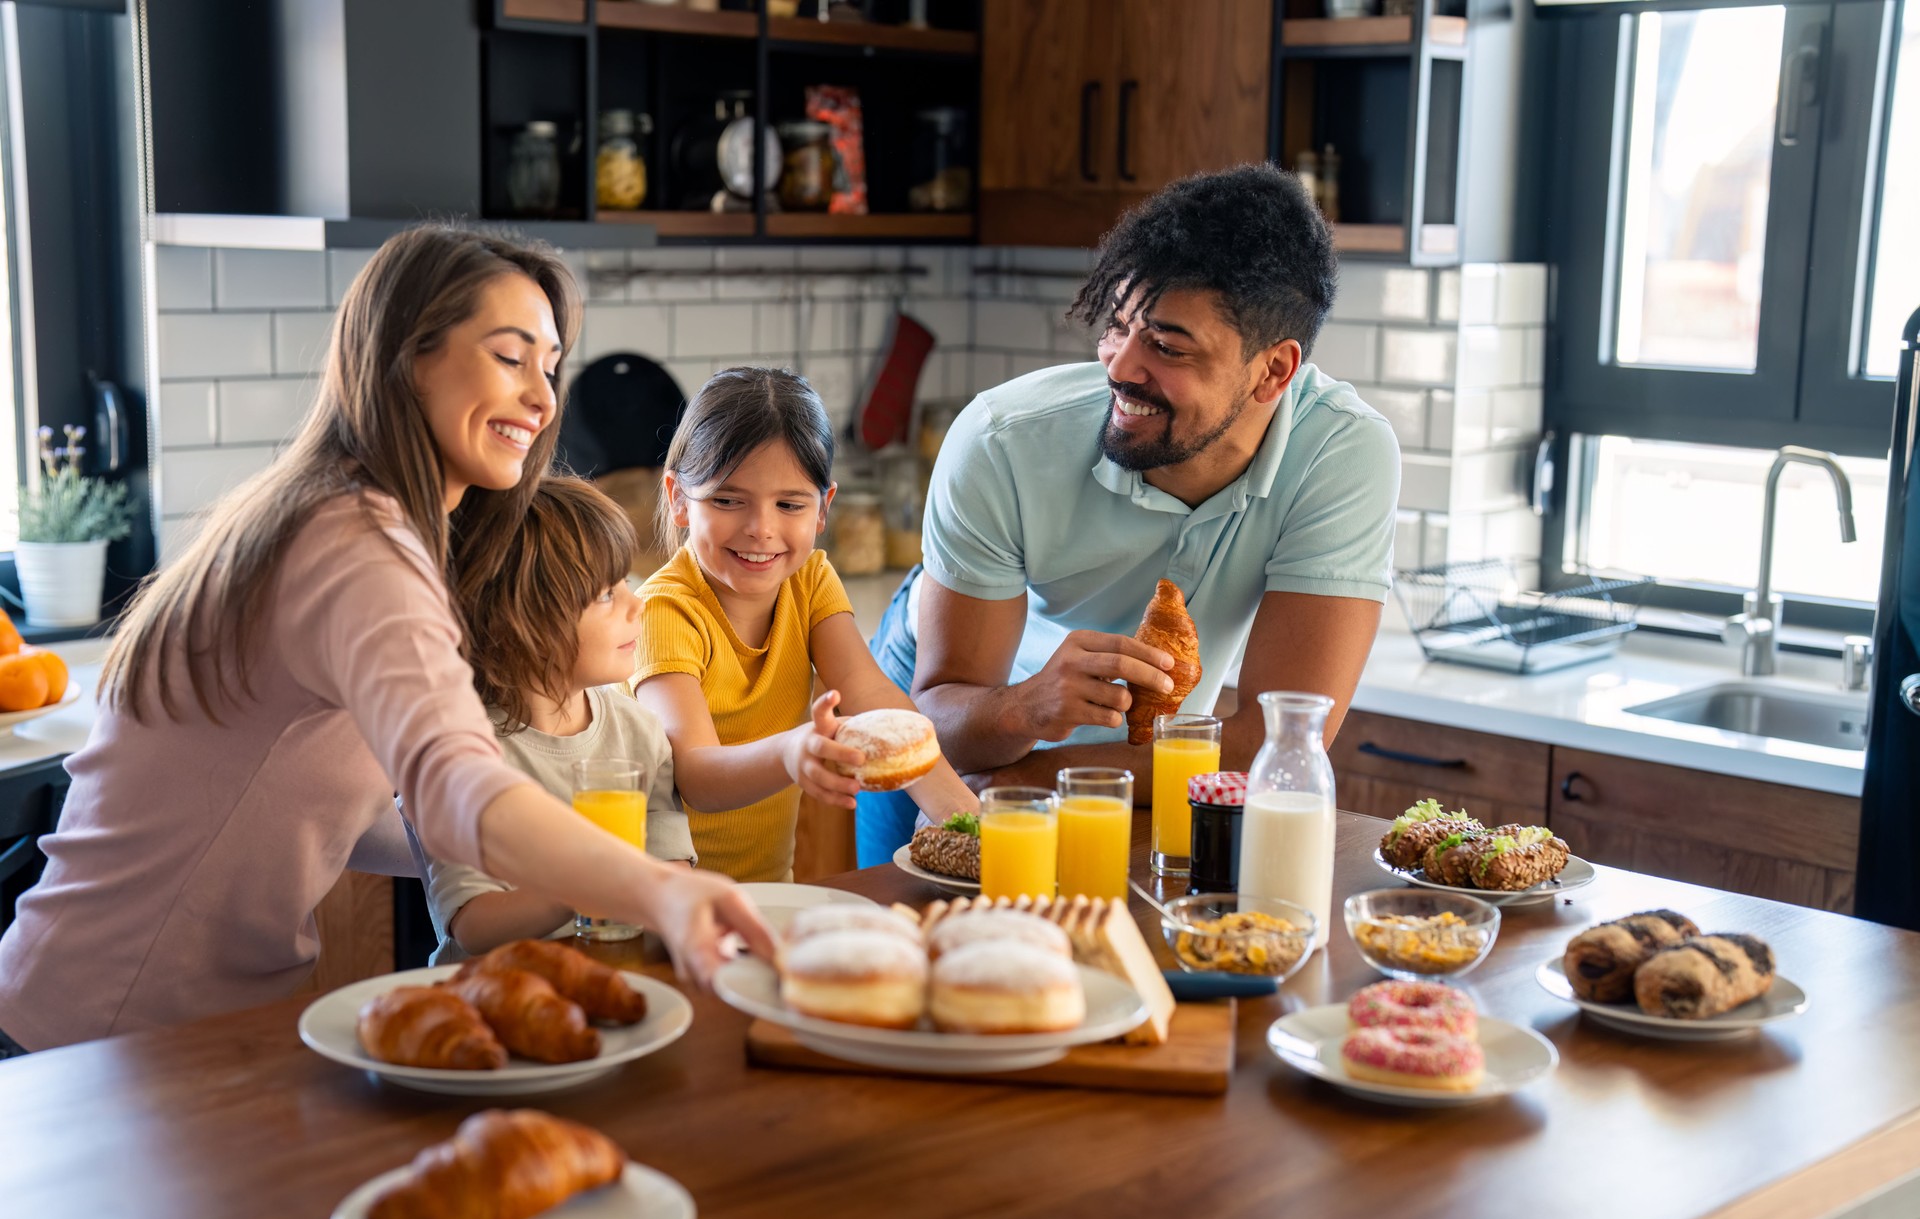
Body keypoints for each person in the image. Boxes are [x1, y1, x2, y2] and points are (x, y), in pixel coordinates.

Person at [0, 225, 772, 1055]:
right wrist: (655, 888)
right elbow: (453, 789)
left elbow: (306, 804)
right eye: (512, 358)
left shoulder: (340, 515)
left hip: (143, 1024)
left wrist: (514, 855)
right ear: (408, 358)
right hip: (105, 1036)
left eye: (549, 368)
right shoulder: (353, 545)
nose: (545, 400)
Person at [857, 164, 1401, 865]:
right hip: (959, 717)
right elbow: (941, 714)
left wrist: (1042, 780)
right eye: (1117, 327)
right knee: (910, 942)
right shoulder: (1002, 442)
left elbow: (1272, 739)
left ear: (1273, 371)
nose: (1121, 365)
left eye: (1168, 348)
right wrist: (1028, 709)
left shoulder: (1342, 455)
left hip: (1137, 766)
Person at [632, 366, 977, 883]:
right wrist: (791, 750)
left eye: (789, 504)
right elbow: (697, 774)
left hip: (771, 890)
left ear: (823, 509)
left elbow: (870, 694)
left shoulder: (810, 579)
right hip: (662, 902)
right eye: (727, 500)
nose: (761, 529)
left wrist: (971, 822)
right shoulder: (666, 610)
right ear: (679, 498)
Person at [416, 474, 696, 965]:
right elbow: (473, 923)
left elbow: (670, 862)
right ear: (525, 623)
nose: (639, 602)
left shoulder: (639, 730)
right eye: (607, 595)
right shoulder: (467, 755)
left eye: (625, 584)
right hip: (497, 994)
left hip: (611, 970)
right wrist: (580, 884)